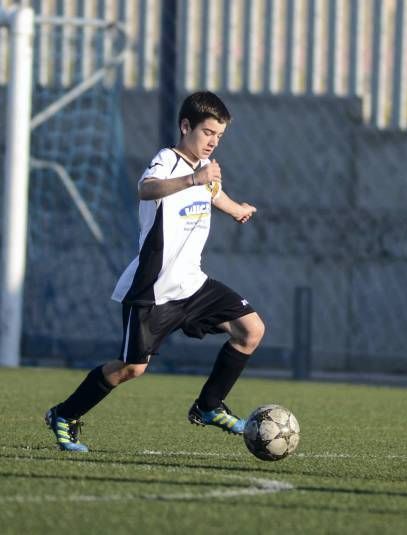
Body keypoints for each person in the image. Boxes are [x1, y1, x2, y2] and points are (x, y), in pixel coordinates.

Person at [45, 91, 264, 452]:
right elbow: (146, 189)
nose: (213, 141)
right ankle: (64, 415)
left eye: (219, 136)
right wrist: (194, 179)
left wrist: (236, 208)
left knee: (251, 330)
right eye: (207, 132)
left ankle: (208, 407)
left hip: (192, 285)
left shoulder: (206, 171)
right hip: (153, 289)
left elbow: (213, 194)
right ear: (185, 126)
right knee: (132, 369)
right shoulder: (168, 160)